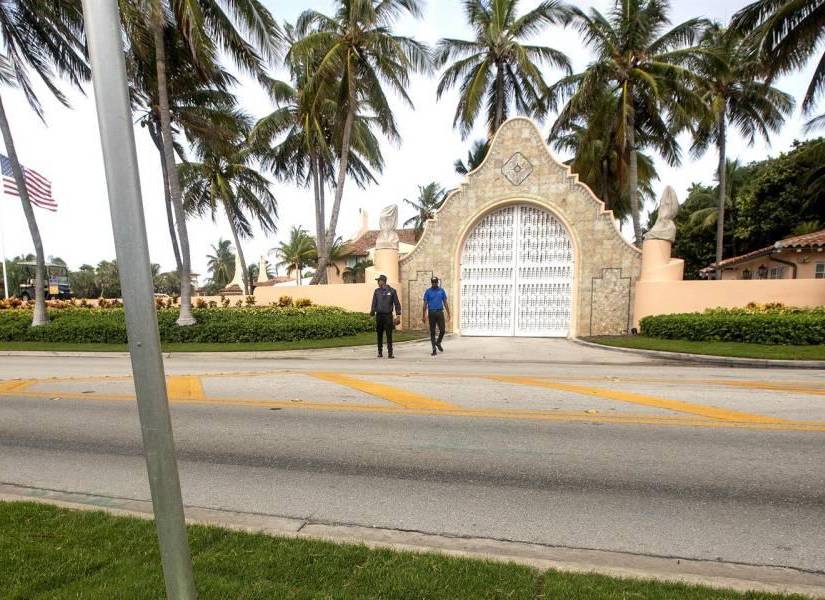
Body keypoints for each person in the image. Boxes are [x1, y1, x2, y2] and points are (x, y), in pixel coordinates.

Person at [370, 273, 401, 358]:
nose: (378, 282)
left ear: (382, 281)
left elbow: (397, 304)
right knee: (379, 334)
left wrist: (398, 315)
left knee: (389, 334)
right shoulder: (376, 291)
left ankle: (390, 353)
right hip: (379, 316)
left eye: (378, 281)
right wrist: (372, 313)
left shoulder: (392, 291)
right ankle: (380, 352)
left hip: (388, 316)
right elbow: (374, 303)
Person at [422, 276, 450, 356]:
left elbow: (445, 302)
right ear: (431, 283)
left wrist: (448, 313)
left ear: (437, 282)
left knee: (442, 330)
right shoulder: (428, 291)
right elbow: (424, 305)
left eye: (435, 282)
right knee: (432, 331)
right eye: (432, 282)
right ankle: (434, 349)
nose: (434, 283)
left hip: (440, 312)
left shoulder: (441, 291)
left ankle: (438, 342)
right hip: (431, 313)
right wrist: (423, 315)